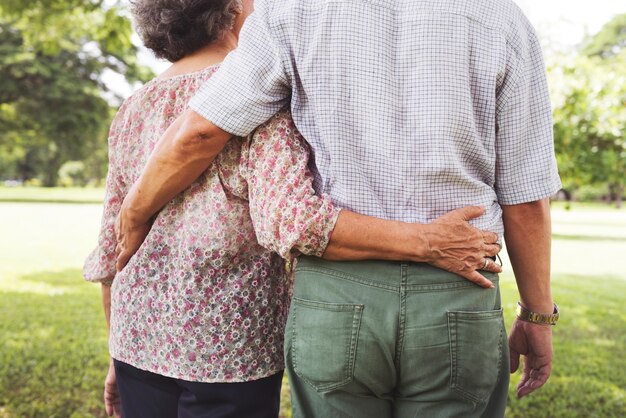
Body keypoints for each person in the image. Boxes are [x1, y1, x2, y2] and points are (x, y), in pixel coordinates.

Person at [114, 0, 562, 416]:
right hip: (458, 294)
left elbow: (199, 134)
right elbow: (525, 197)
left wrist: (134, 212)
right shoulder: (503, 19)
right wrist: (537, 313)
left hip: (336, 299)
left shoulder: (292, 11)